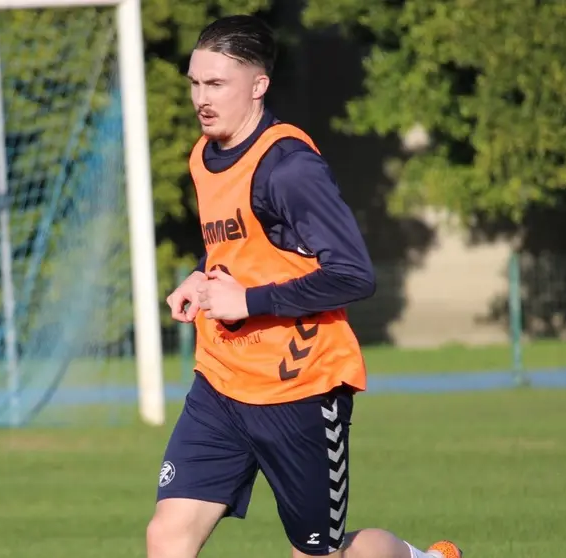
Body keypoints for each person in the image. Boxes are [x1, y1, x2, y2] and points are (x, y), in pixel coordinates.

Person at [146, 14, 463, 558]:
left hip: (300, 388)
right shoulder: (203, 156)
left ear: (259, 86)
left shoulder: (289, 168)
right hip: (221, 383)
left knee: (322, 554)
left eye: (217, 84)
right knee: (167, 534)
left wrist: (245, 301)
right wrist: (201, 280)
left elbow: (353, 274)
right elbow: (235, 244)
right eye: (195, 82)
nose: (202, 97)